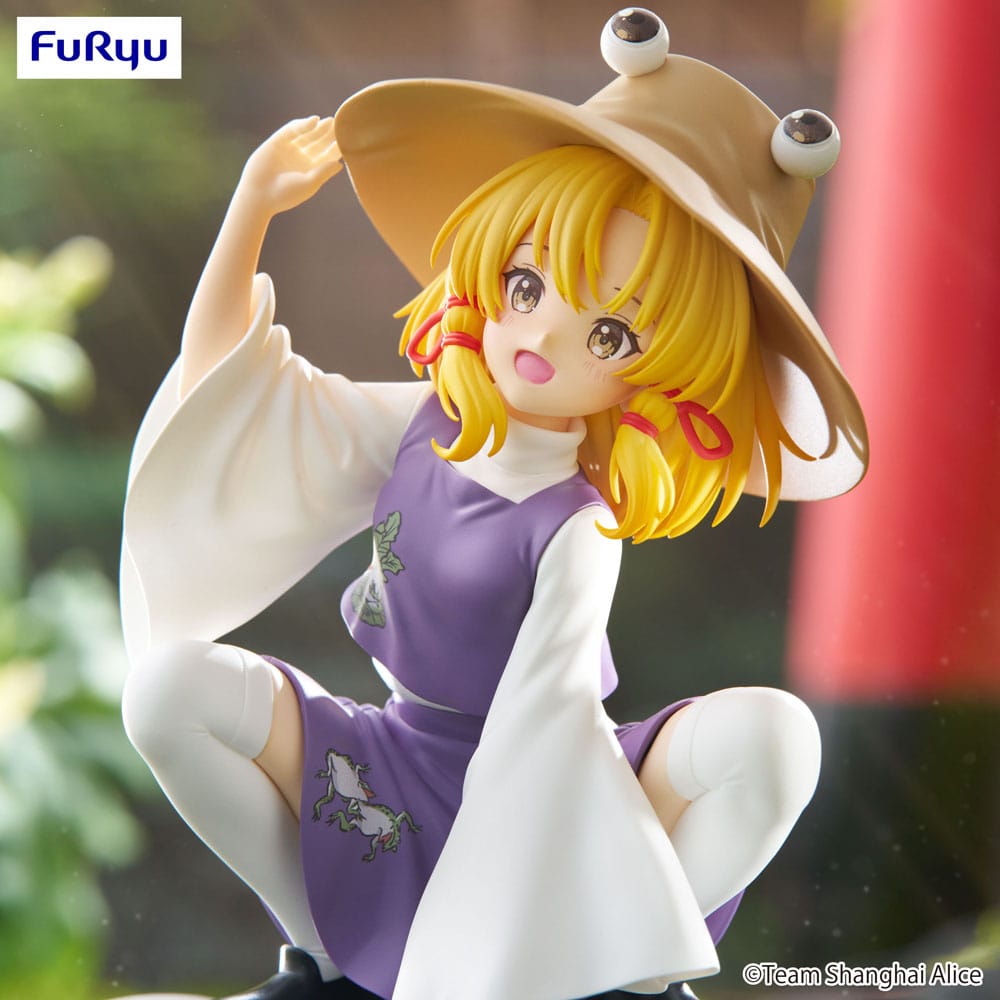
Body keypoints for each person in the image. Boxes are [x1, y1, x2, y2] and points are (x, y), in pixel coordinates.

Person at [119, 9, 868, 1000]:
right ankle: (328, 960)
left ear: (667, 373)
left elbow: (547, 724)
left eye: (610, 335)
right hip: (391, 762)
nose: (544, 335)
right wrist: (252, 208)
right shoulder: (424, 423)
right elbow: (229, 399)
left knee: (775, 737)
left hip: (558, 788)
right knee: (168, 691)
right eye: (527, 283)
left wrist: (493, 951)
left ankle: (623, 976)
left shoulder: (578, 525)